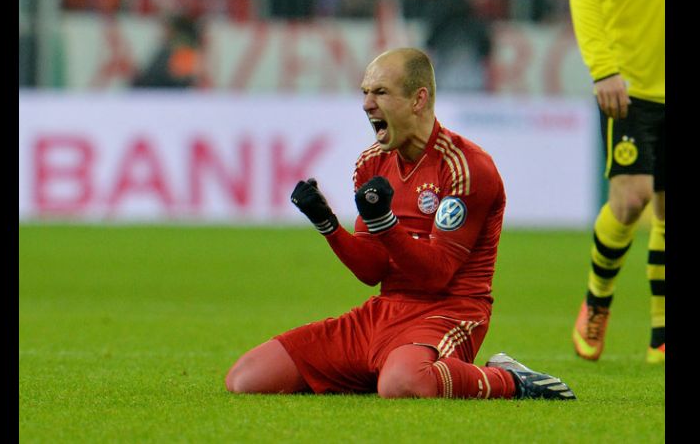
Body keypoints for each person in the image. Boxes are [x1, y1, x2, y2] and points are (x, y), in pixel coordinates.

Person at [225, 48, 576, 400]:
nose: (366, 104)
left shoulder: (465, 167)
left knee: (402, 384)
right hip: (385, 311)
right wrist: (327, 224)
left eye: (380, 92)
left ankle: (510, 380)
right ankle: (388, 368)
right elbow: (371, 269)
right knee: (246, 378)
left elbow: (437, 274)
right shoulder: (372, 162)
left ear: (418, 100)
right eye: (364, 92)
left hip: (448, 312)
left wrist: (385, 223)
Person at [569, 0, 665, 363]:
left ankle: (661, 333)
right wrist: (604, 69)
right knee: (631, 201)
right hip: (630, 87)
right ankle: (597, 298)